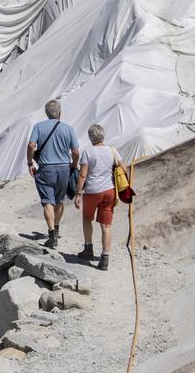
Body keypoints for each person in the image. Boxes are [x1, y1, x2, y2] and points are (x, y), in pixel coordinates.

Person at [26, 100, 80, 249]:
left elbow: (31, 145)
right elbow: (75, 151)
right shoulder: (68, 129)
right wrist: (74, 166)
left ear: (46, 113)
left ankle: (51, 234)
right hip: (64, 169)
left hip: (46, 169)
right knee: (59, 201)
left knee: (47, 201)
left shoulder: (38, 127)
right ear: (60, 113)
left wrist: (30, 163)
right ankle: (56, 228)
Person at [73, 123, 124, 270]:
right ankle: (105, 258)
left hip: (92, 191)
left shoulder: (88, 153)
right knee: (106, 226)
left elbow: (83, 175)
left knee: (87, 218)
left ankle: (88, 248)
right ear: (103, 136)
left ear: (90, 138)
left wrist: (78, 193)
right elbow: (124, 168)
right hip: (109, 191)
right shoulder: (112, 150)